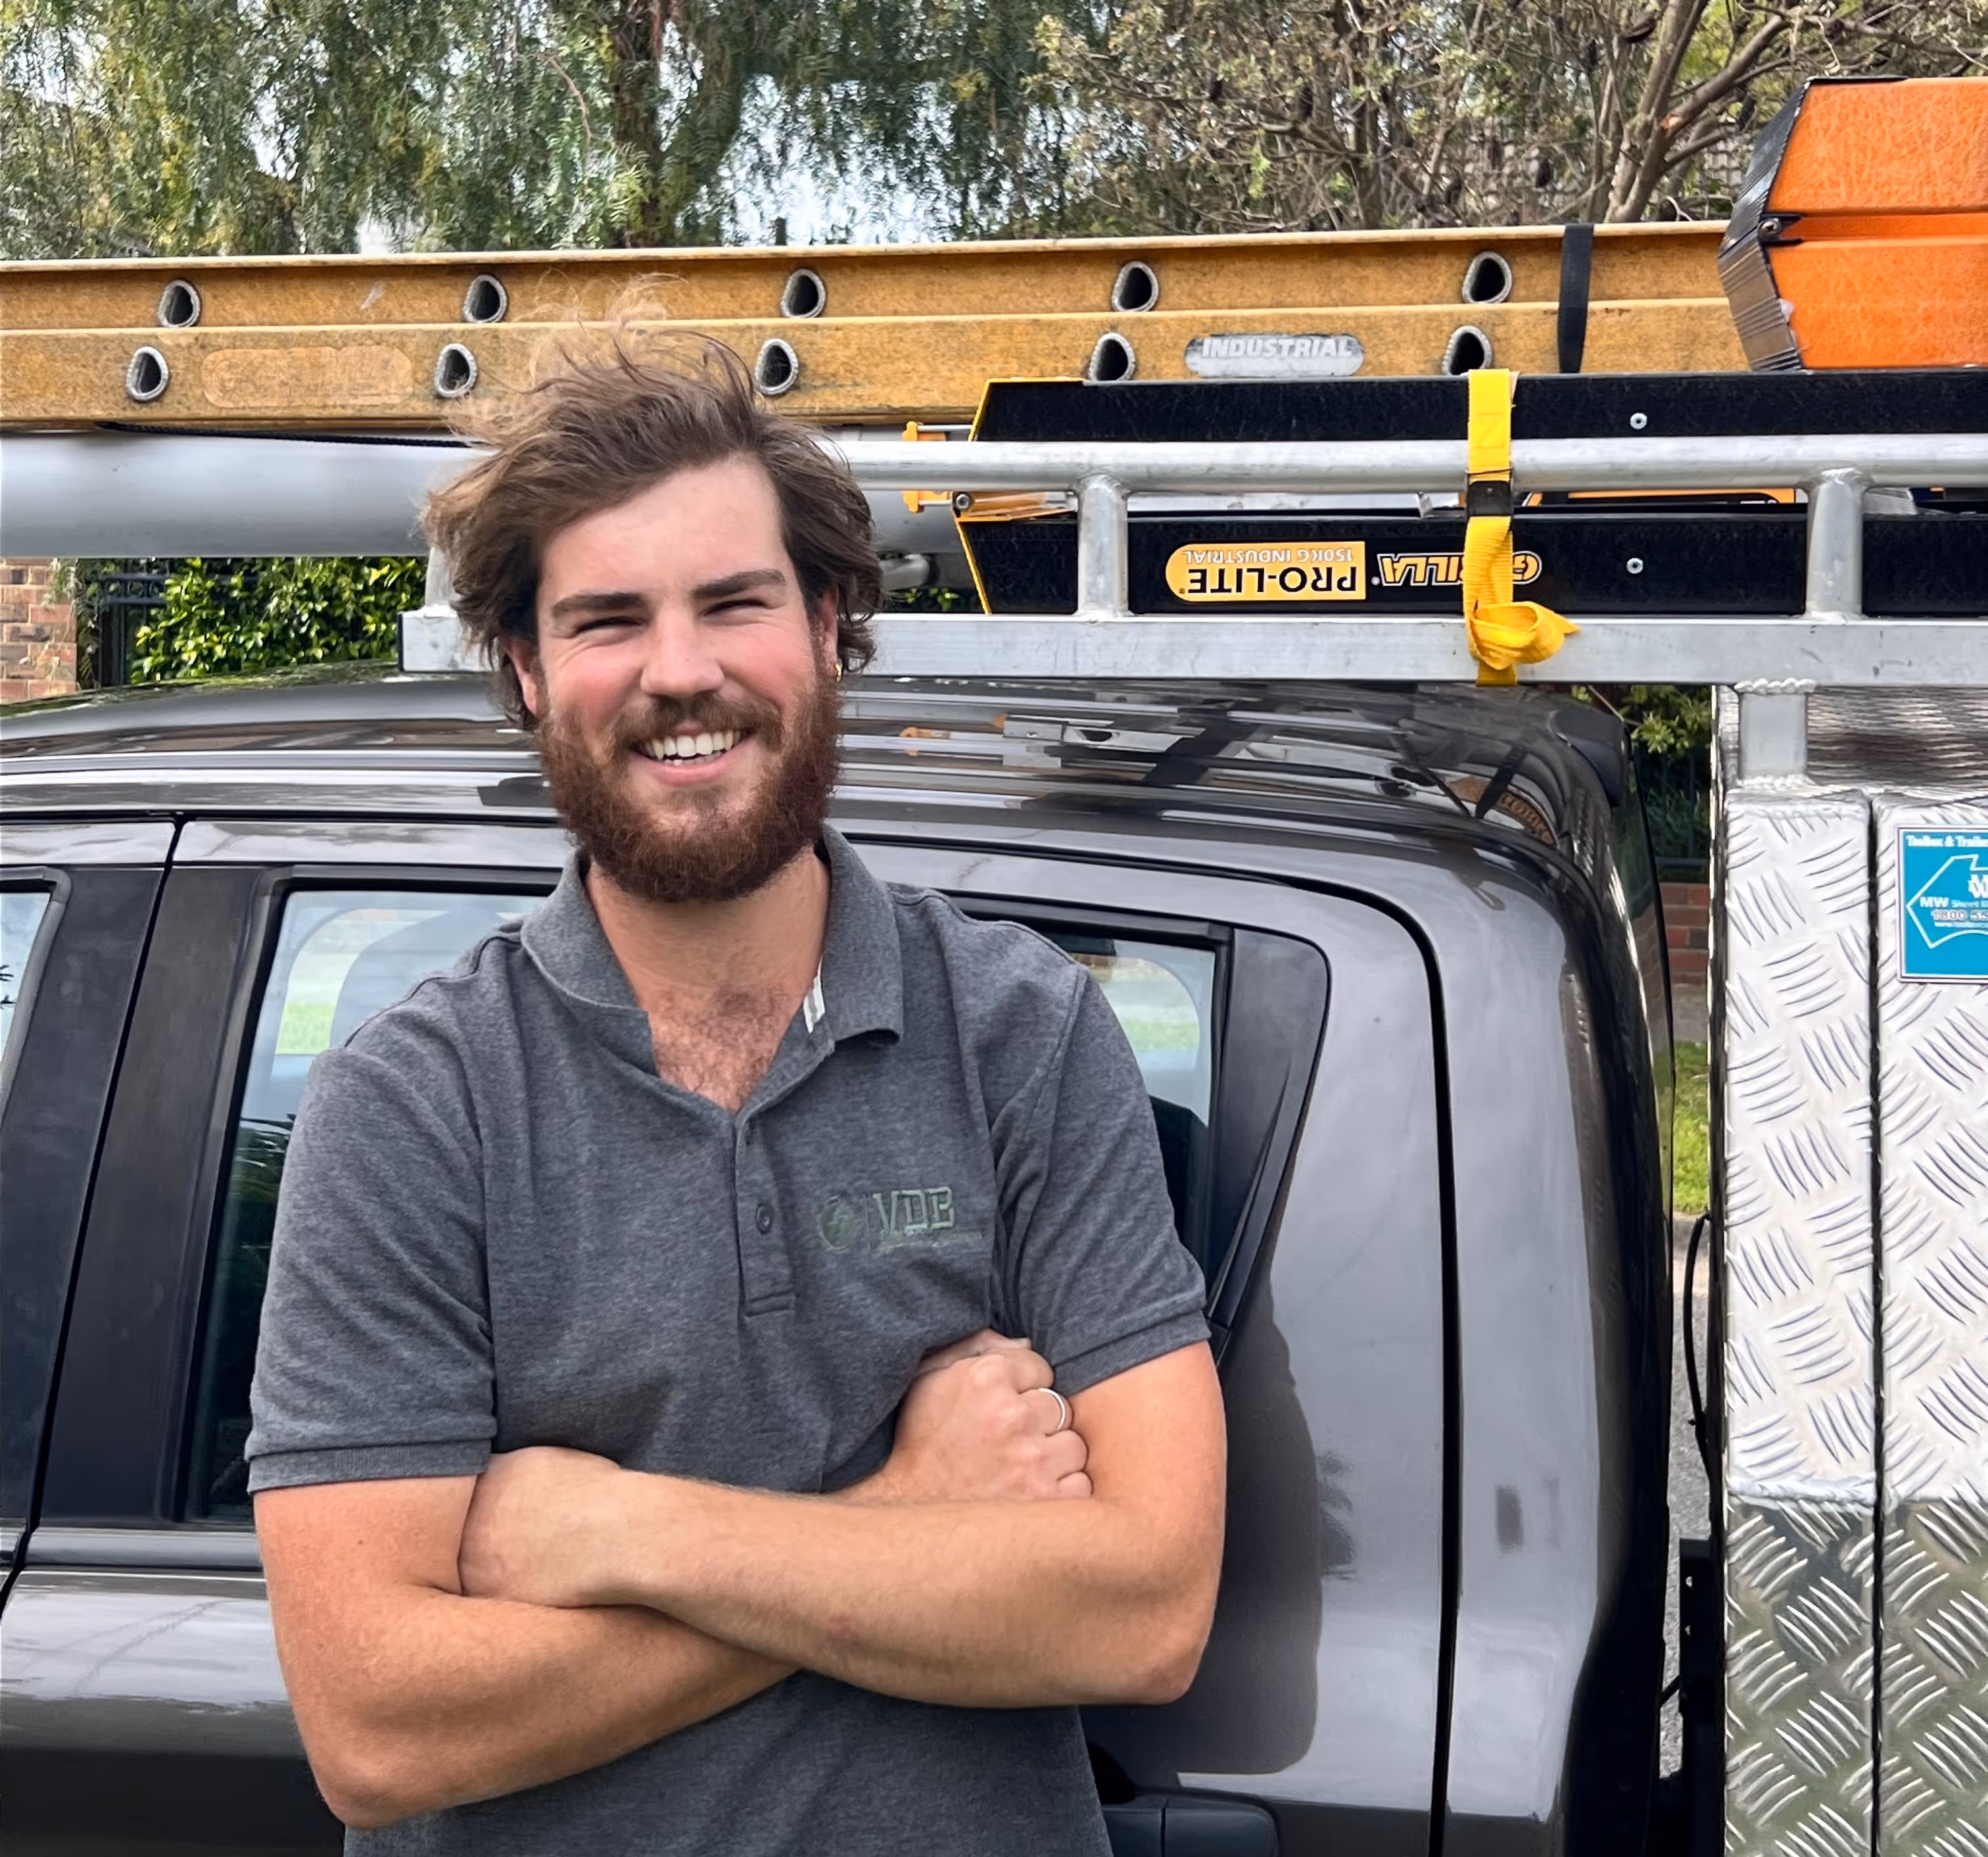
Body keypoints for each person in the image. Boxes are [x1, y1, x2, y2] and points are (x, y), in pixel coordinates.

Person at [247, 346, 1226, 1856]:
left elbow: (1150, 1605)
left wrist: (627, 1529)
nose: (679, 669)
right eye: (606, 618)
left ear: (832, 624)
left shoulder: (1025, 1034)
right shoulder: (410, 1109)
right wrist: (905, 1514)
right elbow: (379, 1725)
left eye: (733, 600)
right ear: (522, 667)